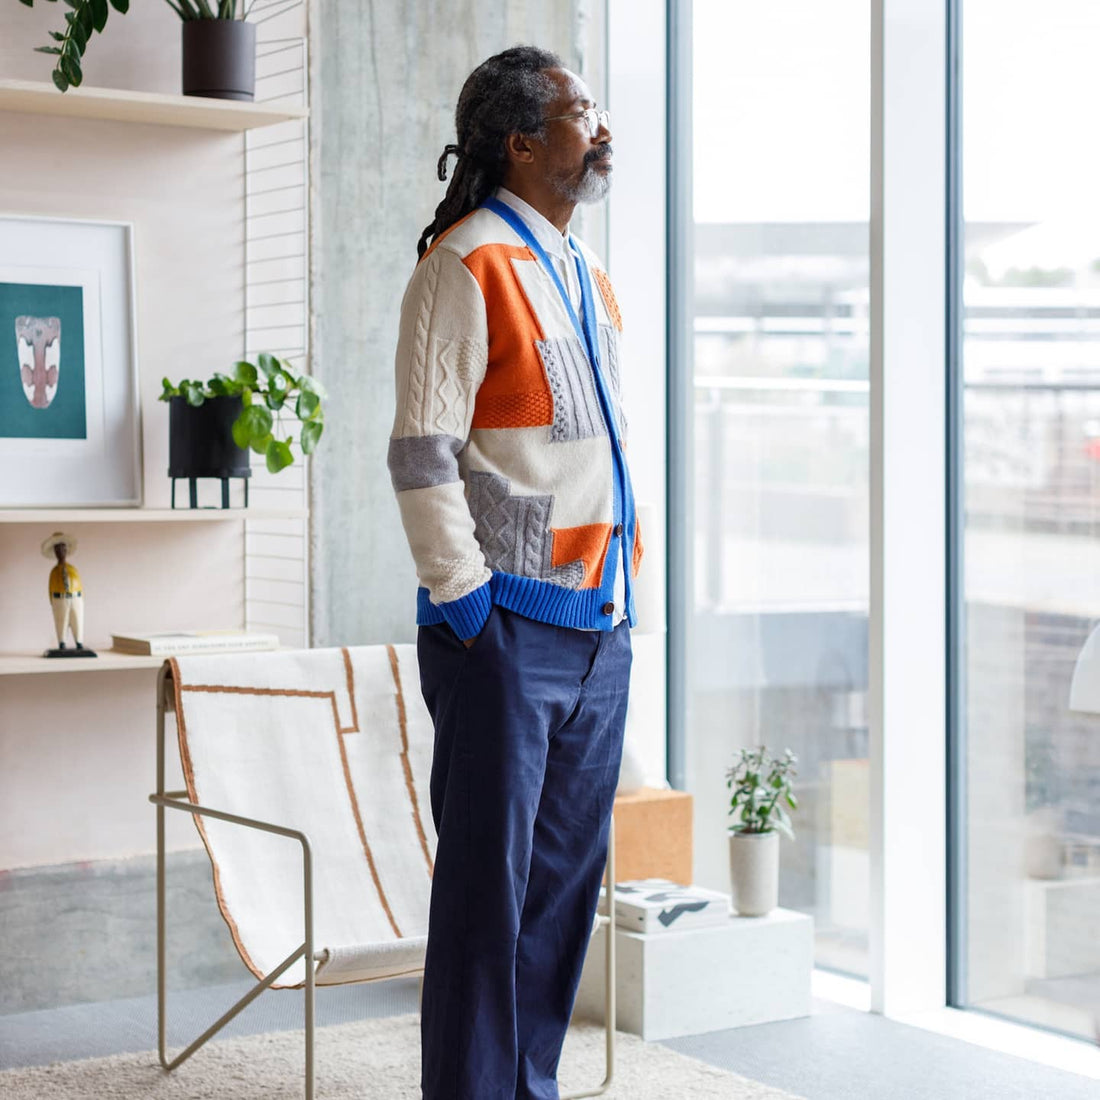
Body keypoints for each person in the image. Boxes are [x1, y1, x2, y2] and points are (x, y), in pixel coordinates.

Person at [387, 45, 644, 1100]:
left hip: (599, 626)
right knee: (488, 905)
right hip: (504, 633)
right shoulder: (464, 261)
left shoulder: (584, 274)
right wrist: (467, 608)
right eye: (584, 115)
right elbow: (420, 451)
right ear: (523, 141)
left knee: (558, 899)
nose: (604, 130)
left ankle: (522, 1086)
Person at [41, 530, 91, 655]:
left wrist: (80, 599)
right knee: (61, 620)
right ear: (55, 552)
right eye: (57, 550)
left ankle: (79, 642)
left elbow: (79, 584)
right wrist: (53, 602)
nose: (60, 552)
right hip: (60, 598)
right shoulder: (54, 572)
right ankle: (62, 642)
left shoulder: (73, 569)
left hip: (75, 597)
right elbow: (50, 588)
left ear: (66, 550)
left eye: (63, 549)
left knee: (76, 619)